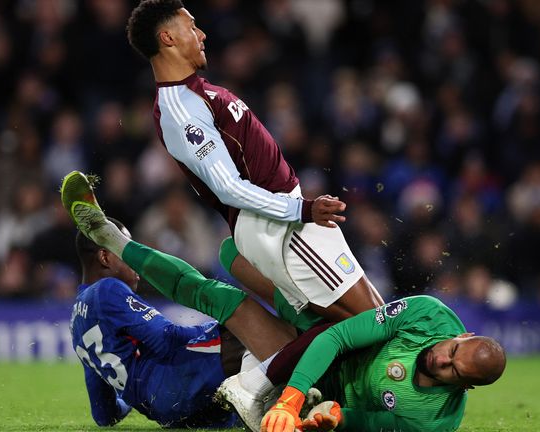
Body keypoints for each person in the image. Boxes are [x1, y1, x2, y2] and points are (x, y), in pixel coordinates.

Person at [125, 0, 383, 323]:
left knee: (366, 322)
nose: (202, 34)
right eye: (191, 27)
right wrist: (301, 210)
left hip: (285, 217)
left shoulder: (199, 94)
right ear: (168, 38)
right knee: (377, 320)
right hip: (278, 224)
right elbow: (229, 188)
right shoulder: (180, 109)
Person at [63, 172, 298, 427]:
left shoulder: (77, 321)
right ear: (105, 258)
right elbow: (166, 340)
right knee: (247, 325)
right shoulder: (107, 290)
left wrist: (133, 395)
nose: (134, 265)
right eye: (124, 251)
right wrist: (216, 328)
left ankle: (266, 406)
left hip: (167, 412)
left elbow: (103, 414)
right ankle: (300, 396)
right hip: (177, 384)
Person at [257, 295, 507, 432]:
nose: (441, 359)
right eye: (452, 350)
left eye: (453, 369)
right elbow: (337, 336)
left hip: (335, 398)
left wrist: (337, 417)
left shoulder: (435, 422)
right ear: (462, 337)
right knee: (236, 258)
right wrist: (291, 400)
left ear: (465, 387)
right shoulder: (429, 314)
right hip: (327, 354)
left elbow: (371, 423)